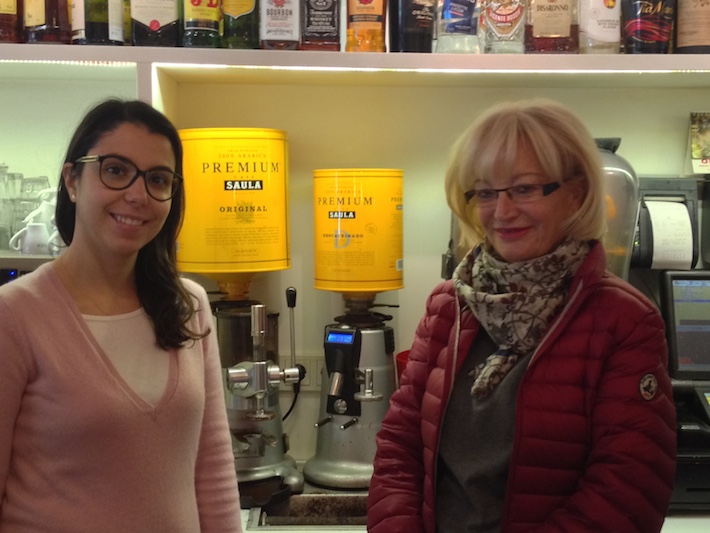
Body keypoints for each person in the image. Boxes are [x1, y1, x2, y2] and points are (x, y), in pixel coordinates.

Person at [367, 99, 676, 533]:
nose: (502, 211)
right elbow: (400, 447)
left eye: (525, 188)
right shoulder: (448, 306)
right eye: (486, 192)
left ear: (577, 193)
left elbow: (627, 490)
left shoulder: (624, 320)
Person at [0, 99, 242, 532]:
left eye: (157, 179)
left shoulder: (188, 305)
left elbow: (213, 469)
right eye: (115, 170)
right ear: (72, 180)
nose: (137, 195)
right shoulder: (14, 314)